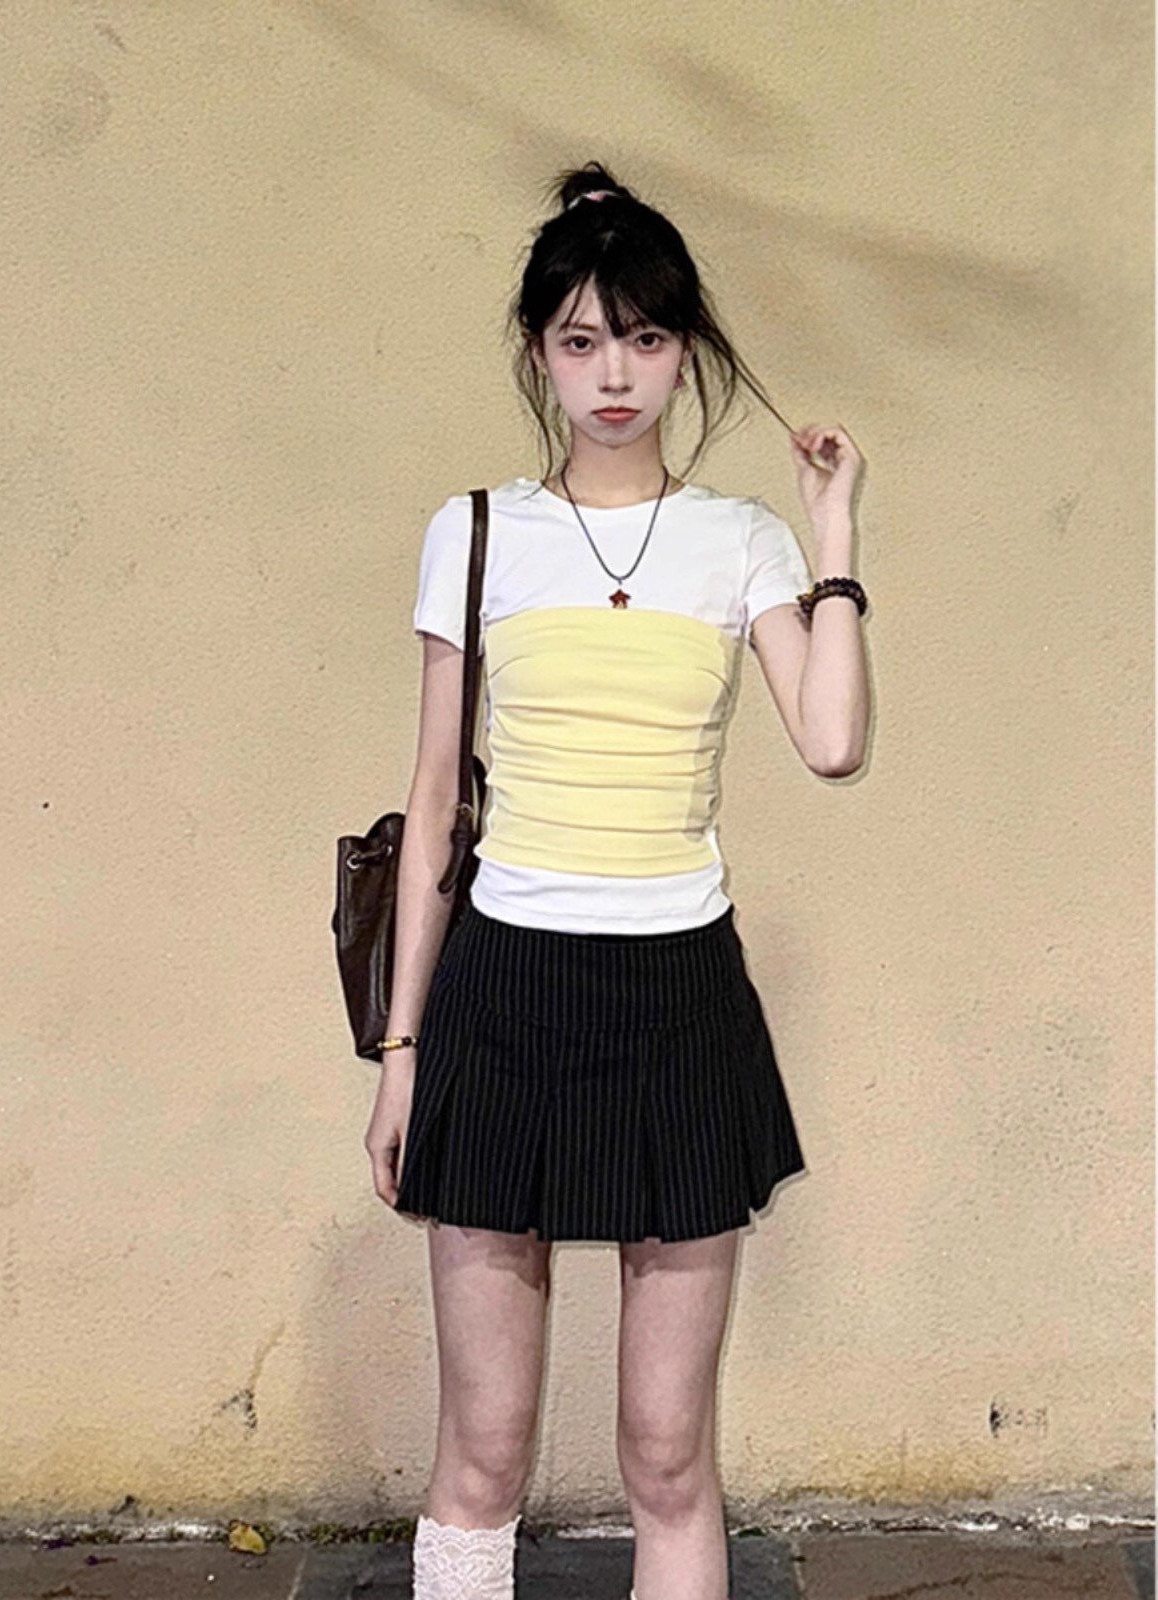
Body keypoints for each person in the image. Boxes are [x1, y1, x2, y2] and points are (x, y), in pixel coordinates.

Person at [364, 160, 870, 1600]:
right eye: (582, 339)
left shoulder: (739, 540)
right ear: (539, 349)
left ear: (685, 351)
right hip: (502, 990)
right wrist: (401, 1055)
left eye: (645, 339)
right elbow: (432, 806)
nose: (614, 374)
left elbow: (832, 741)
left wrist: (833, 537)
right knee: (483, 1452)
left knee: (666, 1456)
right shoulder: (476, 533)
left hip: (679, 995)